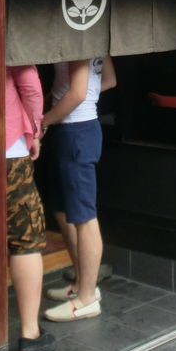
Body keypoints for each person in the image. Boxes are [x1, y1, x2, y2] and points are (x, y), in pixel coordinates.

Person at [41, 55, 116, 322]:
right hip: (75, 129)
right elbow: (109, 80)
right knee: (62, 210)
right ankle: (82, 284)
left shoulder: (79, 38)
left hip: (76, 129)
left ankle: (86, 298)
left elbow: (77, 93)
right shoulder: (95, 38)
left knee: (84, 215)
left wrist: (44, 120)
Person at [5, 64, 54, 351]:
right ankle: (29, 333)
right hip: (9, 149)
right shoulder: (7, 28)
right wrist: (34, 131)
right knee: (26, 239)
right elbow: (31, 86)